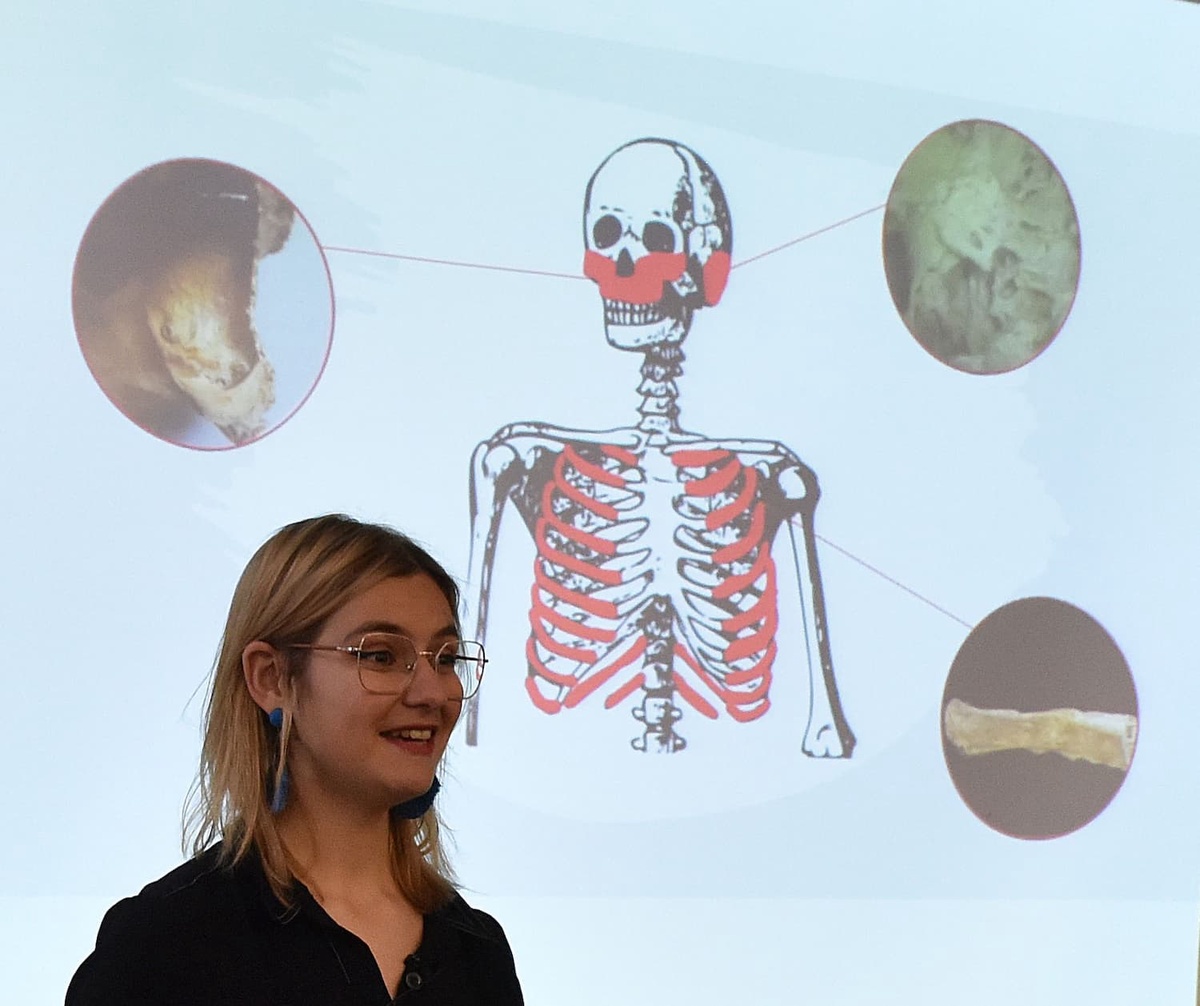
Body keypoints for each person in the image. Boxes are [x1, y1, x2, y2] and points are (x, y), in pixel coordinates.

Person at [66, 514, 524, 1004]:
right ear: (271, 678)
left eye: (446, 658)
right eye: (380, 656)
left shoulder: (478, 952)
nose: (433, 693)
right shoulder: (162, 946)